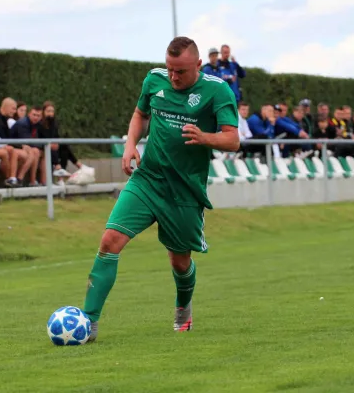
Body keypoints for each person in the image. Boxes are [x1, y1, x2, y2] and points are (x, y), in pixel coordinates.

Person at [81, 36, 240, 342]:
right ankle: (88, 323)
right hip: (148, 180)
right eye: (170, 69)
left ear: (197, 65)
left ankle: (183, 306)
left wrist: (206, 138)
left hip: (184, 191)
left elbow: (232, 139)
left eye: (180, 71)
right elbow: (140, 114)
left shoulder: (217, 90)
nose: (174, 77)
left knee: (179, 263)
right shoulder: (154, 80)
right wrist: (130, 145)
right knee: (109, 240)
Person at [37, 101, 72, 185]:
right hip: (42, 146)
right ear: (44, 112)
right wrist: (51, 144)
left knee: (64, 148)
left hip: (52, 146)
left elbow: (55, 136)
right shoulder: (40, 124)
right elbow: (41, 138)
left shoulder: (54, 123)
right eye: (48, 111)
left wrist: (57, 143)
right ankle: (58, 168)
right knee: (50, 148)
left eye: (52, 111)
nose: (50, 113)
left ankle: (60, 175)